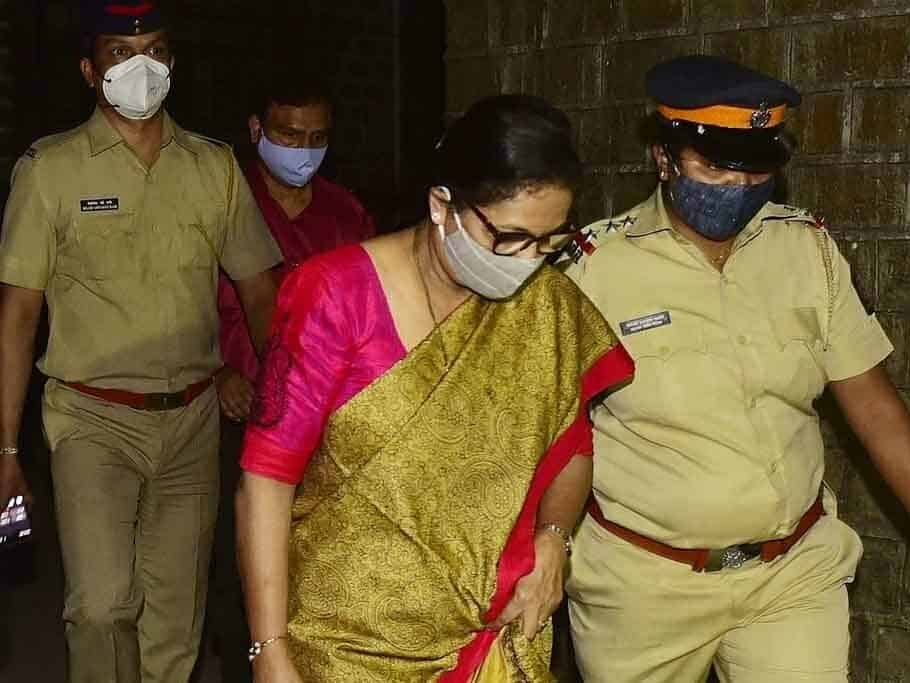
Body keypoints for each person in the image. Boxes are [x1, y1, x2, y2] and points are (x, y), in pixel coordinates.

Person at [563, 55, 910, 682]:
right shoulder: (593, 271)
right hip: (643, 587)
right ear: (663, 158)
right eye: (714, 166)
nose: (736, 185)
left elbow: (872, 406)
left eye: (755, 167)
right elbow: (548, 434)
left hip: (792, 572)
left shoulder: (806, 250)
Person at [236, 94, 633, 682]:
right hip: (347, 643)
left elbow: (571, 446)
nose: (529, 260)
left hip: (493, 639)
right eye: (510, 237)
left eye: (550, 241)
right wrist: (269, 648)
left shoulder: (547, 305)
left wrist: (553, 540)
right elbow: (266, 481)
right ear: (442, 205)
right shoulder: (336, 295)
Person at [0, 2, 281, 681]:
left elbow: (261, 295)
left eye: (154, 49)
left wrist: (287, 407)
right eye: (121, 53)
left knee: (174, 623)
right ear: (88, 69)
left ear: (173, 61)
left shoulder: (213, 168)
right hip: (91, 420)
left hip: (191, 421)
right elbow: (18, 313)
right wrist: (5, 450)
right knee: (101, 607)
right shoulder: (50, 170)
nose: (141, 66)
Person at [208, 67, 375, 682]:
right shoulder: (223, 202)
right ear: (256, 130)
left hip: (326, 424)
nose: (303, 150)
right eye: (288, 134)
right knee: (236, 572)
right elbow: (180, 306)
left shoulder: (345, 214)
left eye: (317, 137)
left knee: (316, 569)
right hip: (237, 415)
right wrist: (218, 371)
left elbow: (371, 314)